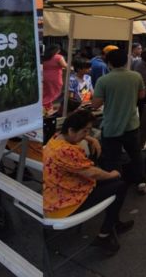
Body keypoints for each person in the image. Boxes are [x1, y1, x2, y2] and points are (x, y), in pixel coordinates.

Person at [43, 109, 132, 256]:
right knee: (119, 184)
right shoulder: (66, 151)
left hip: (57, 193)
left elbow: (88, 169)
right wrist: (111, 174)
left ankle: (114, 222)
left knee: (115, 182)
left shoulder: (55, 138)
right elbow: (92, 172)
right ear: (71, 130)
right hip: (66, 203)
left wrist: (90, 139)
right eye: (85, 131)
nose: (87, 134)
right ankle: (104, 235)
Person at [92, 48, 146, 194]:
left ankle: (116, 186)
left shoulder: (103, 80)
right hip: (131, 125)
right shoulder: (136, 76)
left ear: (109, 63)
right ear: (126, 61)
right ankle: (141, 182)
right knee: (136, 155)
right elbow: (142, 95)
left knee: (113, 159)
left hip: (111, 127)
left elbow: (95, 105)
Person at [41, 45, 68, 113]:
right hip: (55, 77)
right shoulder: (58, 57)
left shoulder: (45, 57)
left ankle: (47, 106)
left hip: (45, 76)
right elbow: (65, 66)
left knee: (47, 92)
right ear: (57, 50)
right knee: (54, 92)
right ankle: (45, 104)